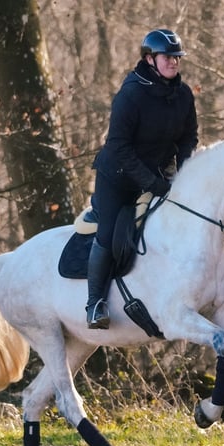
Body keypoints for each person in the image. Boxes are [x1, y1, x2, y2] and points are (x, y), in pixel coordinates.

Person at [85, 28, 199, 329]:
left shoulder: (183, 95)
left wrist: (184, 171)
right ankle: (94, 303)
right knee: (109, 234)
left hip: (158, 174)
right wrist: (151, 182)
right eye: (168, 57)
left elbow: (189, 137)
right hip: (118, 177)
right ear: (150, 59)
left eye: (177, 58)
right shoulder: (130, 95)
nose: (174, 63)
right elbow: (118, 147)